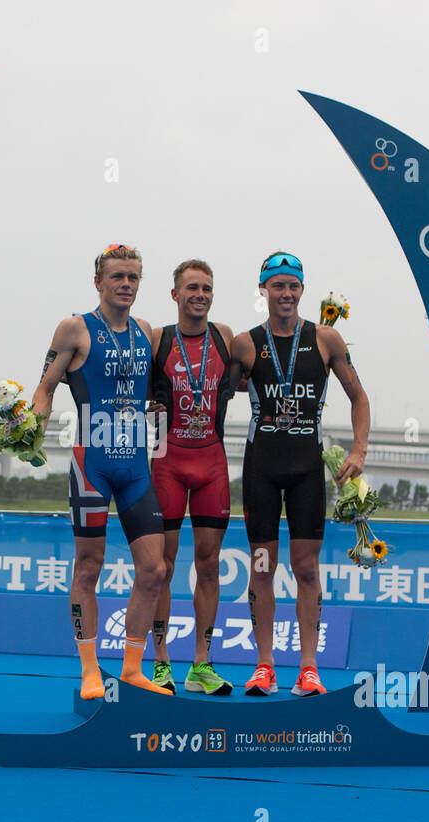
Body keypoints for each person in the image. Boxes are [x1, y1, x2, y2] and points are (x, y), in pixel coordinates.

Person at [31, 244, 172, 700]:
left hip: (135, 463)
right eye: (117, 277)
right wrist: (31, 426)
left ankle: (132, 668)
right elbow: (45, 386)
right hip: (91, 463)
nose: (126, 284)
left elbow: (141, 390)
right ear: (99, 282)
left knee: (154, 569)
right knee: (89, 567)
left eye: (133, 277)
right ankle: (91, 671)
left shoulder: (146, 331)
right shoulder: (74, 328)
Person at [226, 251, 370, 696]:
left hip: (307, 467)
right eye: (277, 285)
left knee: (306, 568)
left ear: (303, 290)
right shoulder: (245, 344)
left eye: (293, 285)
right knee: (263, 566)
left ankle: (309, 669)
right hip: (262, 467)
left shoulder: (326, 339)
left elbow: (358, 397)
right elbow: (213, 395)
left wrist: (360, 451)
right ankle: (264, 666)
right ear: (263, 290)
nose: (285, 293)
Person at [146, 260, 236, 695]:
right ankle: (160, 662)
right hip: (167, 461)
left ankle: (201, 664)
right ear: (175, 294)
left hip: (212, 463)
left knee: (209, 566)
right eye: (191, 288)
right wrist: (146, 409)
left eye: (206, 288)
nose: (200, 294)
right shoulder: (158, 339)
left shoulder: (226, 337)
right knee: (161, 567)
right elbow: (133, 386)